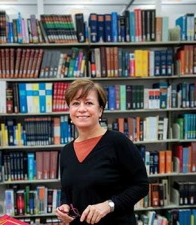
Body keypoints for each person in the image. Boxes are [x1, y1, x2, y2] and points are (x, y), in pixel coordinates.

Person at [55, 79, 149, 225]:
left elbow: (141, 186)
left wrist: (109, 205)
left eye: (88, 103)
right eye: (75, 103)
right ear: (69, 111)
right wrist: (65, 206)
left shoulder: (117, 142)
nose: (81, 109)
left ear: (100, 110)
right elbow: (67, 191)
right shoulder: (66, 152)